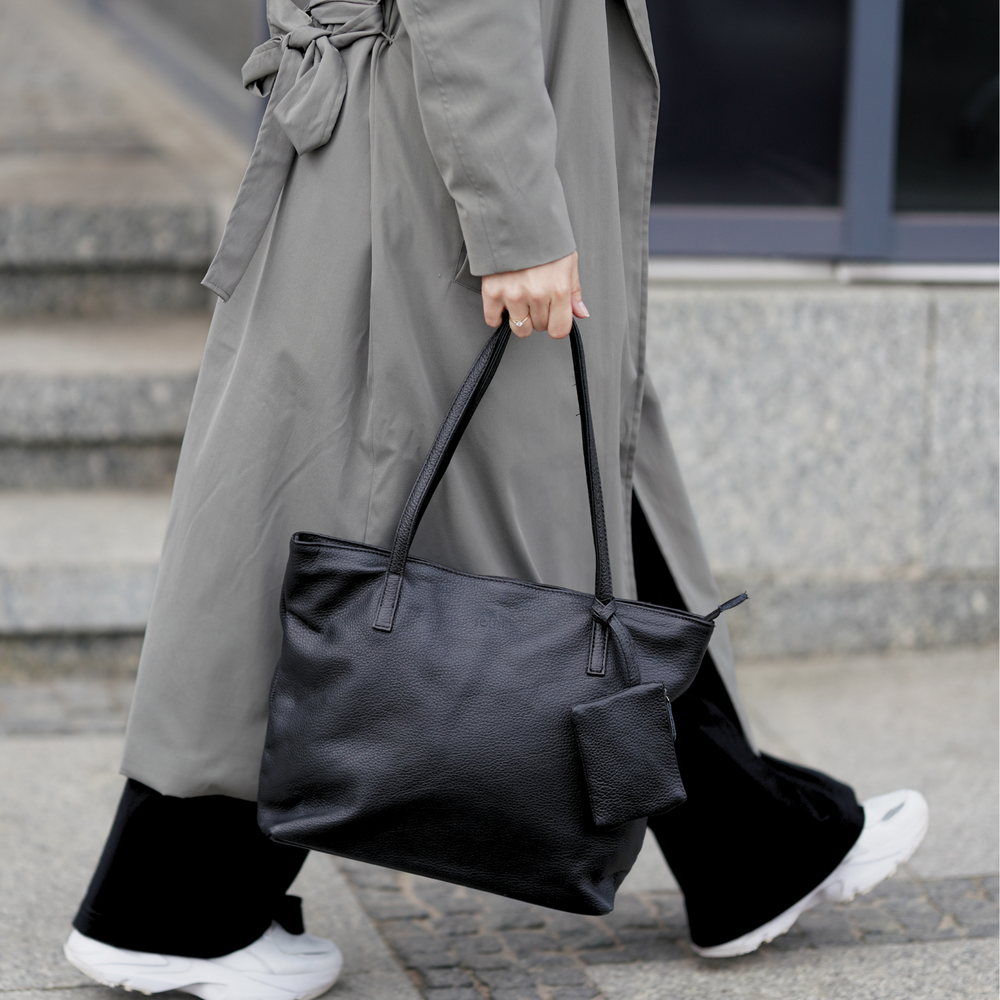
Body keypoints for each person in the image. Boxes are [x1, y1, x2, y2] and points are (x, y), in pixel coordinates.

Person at [64, 0, 928, 994]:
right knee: (357, 528)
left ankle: (749, 843)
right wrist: (513, 217)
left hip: (421, 150)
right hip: (434, 174)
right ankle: (168, 905)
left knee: (571, 495)